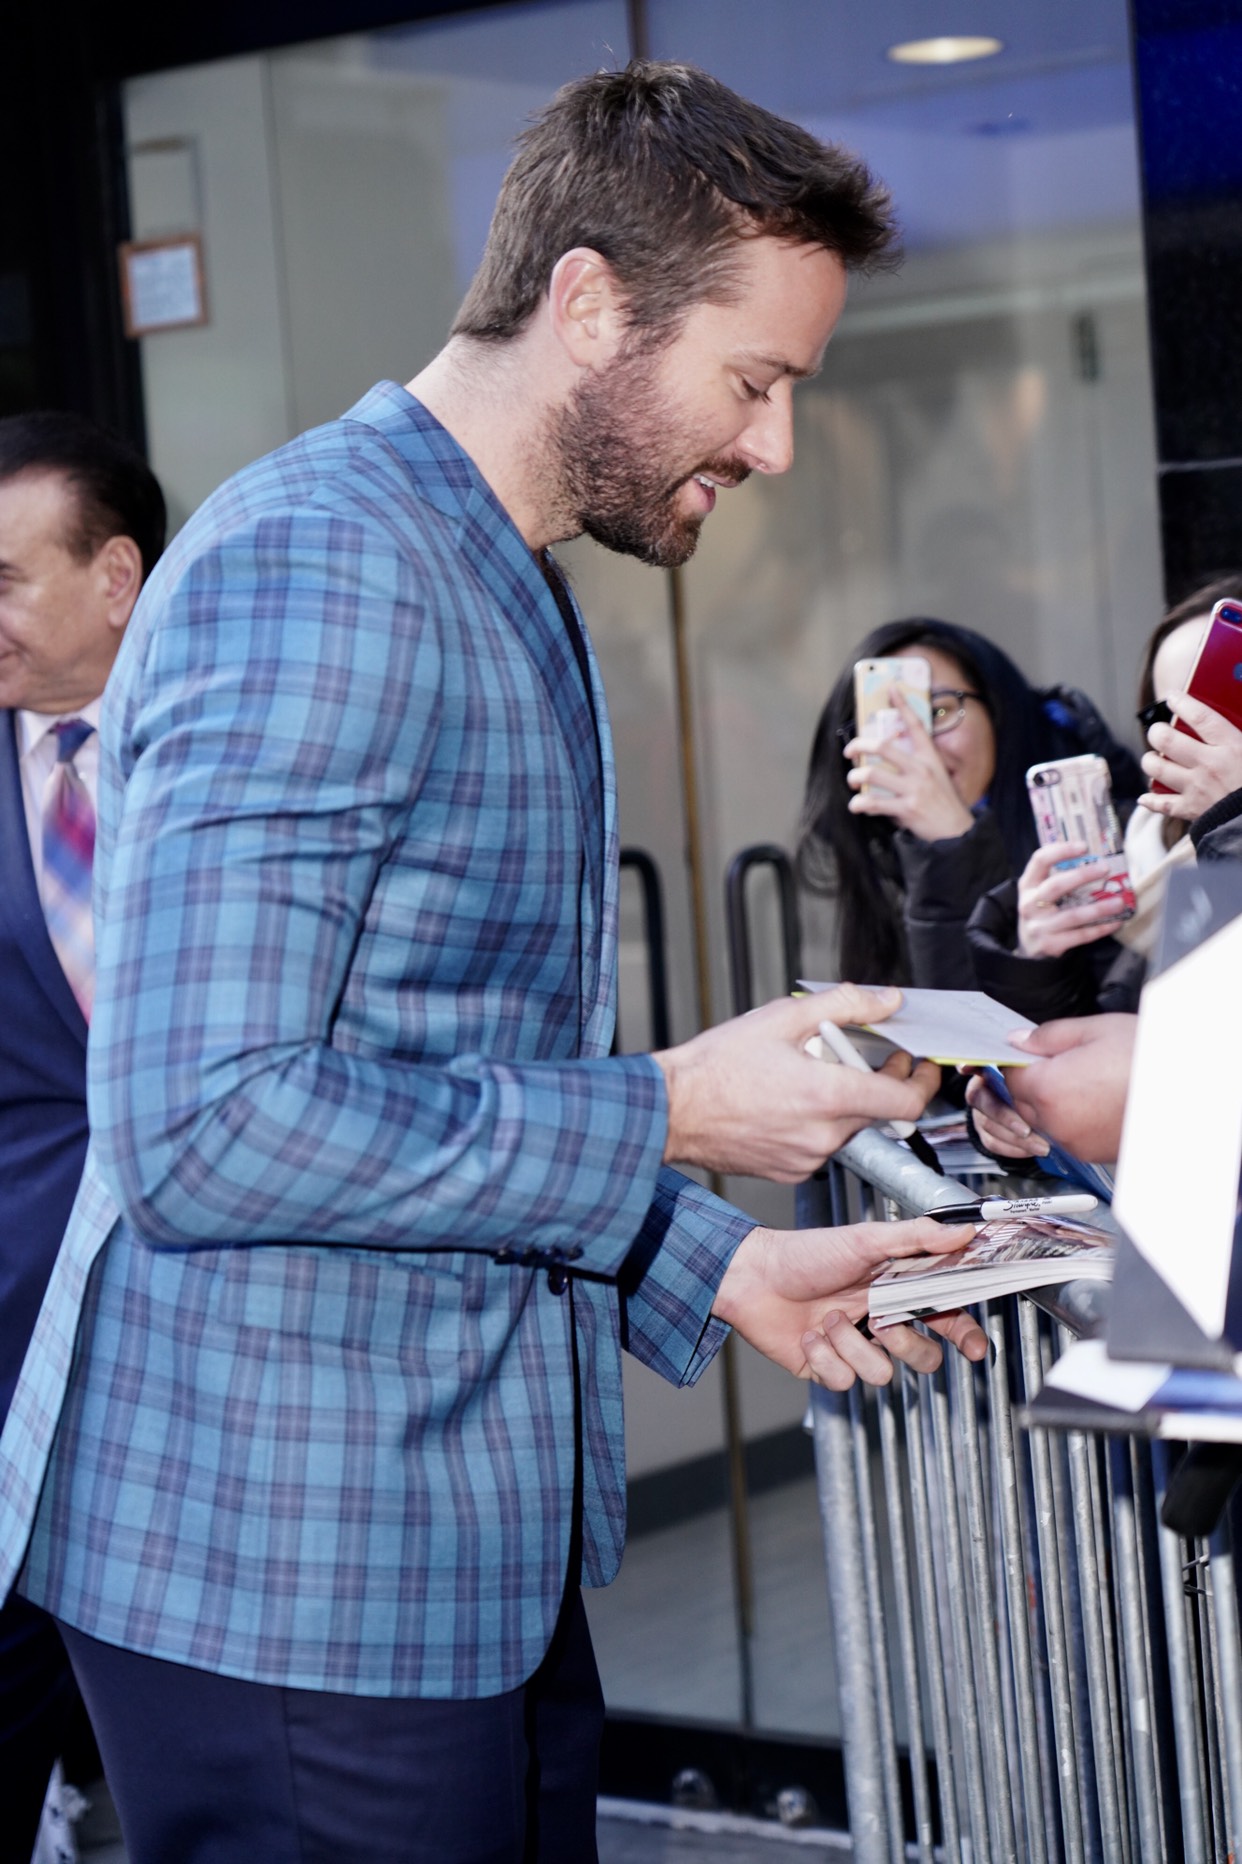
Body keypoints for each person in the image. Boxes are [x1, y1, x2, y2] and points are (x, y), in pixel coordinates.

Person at [0, 63, 986, 1864]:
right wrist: (676, 1104)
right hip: (281, 1574)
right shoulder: (320, 563)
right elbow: (205, 1125)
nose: (771, 443)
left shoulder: (485, 562)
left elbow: (420, 1071)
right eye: (751, 380)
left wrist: (719, 1266)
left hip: (446, 1548)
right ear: (591, 302)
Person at [0, 411, 164, 1864]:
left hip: (204, 1346)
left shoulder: (226, 758)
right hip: (12, 1344)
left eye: (4, 578)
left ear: (115, 579)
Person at [796, 617, 1142, 990]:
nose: (922, 746)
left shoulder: (1096, 830)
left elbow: (989, 1034)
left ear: (997, 711)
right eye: (887, 724)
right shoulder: (884, 857)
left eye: (939, 711)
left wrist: (953, 844)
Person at [966, 576, 1242, 1025]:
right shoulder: (1132, 857)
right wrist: (1037, 965)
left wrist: (1234, 813)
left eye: (1221, 704)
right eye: (1167, 715)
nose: (1189, 735)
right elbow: (1079, 1057)